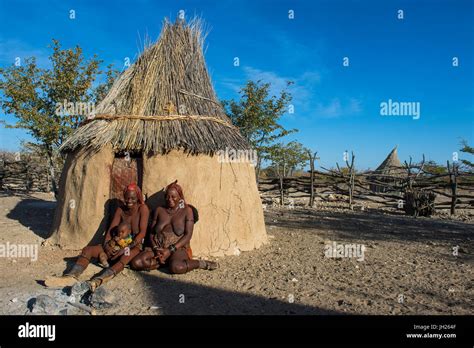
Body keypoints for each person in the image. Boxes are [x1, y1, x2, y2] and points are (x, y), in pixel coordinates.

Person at [45, 183, 150, 291]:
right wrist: (106, 245)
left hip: (131, 246)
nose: (129, 201)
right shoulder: (120, 210)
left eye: (132, 198)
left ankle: (98, 280)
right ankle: (71, 276)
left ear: (137, 197)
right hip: (115, 244)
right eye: (127, 198)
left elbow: (142, 233)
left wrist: (124, 249)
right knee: (88, 250)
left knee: (125, 257)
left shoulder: (142, 209)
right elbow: (110, 230)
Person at [131, 180, 218, 273]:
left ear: (180, 197)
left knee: (176, 267)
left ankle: (201, 263)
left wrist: (169, 250)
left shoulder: (187, 211)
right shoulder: (159, 210)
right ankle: (164, 260)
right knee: (136, 263)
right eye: (167, 196)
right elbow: (152, 233)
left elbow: (188, 235)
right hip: (159, 248)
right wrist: (156, 248)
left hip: (177, 248)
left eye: (173, 197)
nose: (170, 199)